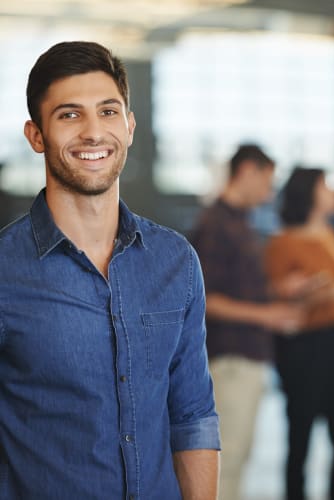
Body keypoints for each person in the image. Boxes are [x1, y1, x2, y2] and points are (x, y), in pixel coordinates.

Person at [0, 41, 219, 499]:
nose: (93, 132)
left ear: (130, 126)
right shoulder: (6, 270)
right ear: (36, 135)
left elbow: (192, 414)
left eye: (108, 111)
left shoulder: (175, 262)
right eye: (69, 115)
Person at [191, 144, 303, 500]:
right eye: (267, 181)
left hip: (248, 356)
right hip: (230, 357)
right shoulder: (215, 224)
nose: (270, 192)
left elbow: (238, 287)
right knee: (226, 459)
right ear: (248, 171)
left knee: (238, 458)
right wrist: (265, 315)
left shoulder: (239, 223)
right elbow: (204, 299)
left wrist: (276, 290)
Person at [265, 167, 334, 500]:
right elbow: (275, 294)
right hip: (304, 347)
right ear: (310, 192)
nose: (333, 191)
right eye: (326, 185)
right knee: (301, 439)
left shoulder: (331, 235)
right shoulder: (283, 242)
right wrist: (312, 292)